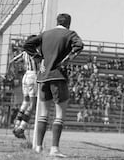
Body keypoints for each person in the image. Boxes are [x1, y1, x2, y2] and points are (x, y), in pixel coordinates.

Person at [23, 13, 84, 157]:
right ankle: (54, 149)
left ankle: (38, 147)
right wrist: (67, 59)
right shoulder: (69, 34)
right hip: (58, 76)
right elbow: (79, 45)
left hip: (43, 77)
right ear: (69, 23)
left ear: (57, 21)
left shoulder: (45, 34)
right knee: (59, 114)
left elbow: (27, 45)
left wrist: (39, 59)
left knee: (43, 114)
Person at [11, 35, 39, 139]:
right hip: (33, 76)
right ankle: (21, 129)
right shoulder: (36, 52)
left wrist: (15, 73)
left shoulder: (24, 53)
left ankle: (16, 125)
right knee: (32, 104)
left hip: (25, 76)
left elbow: (13, 61)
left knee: (25, 102)